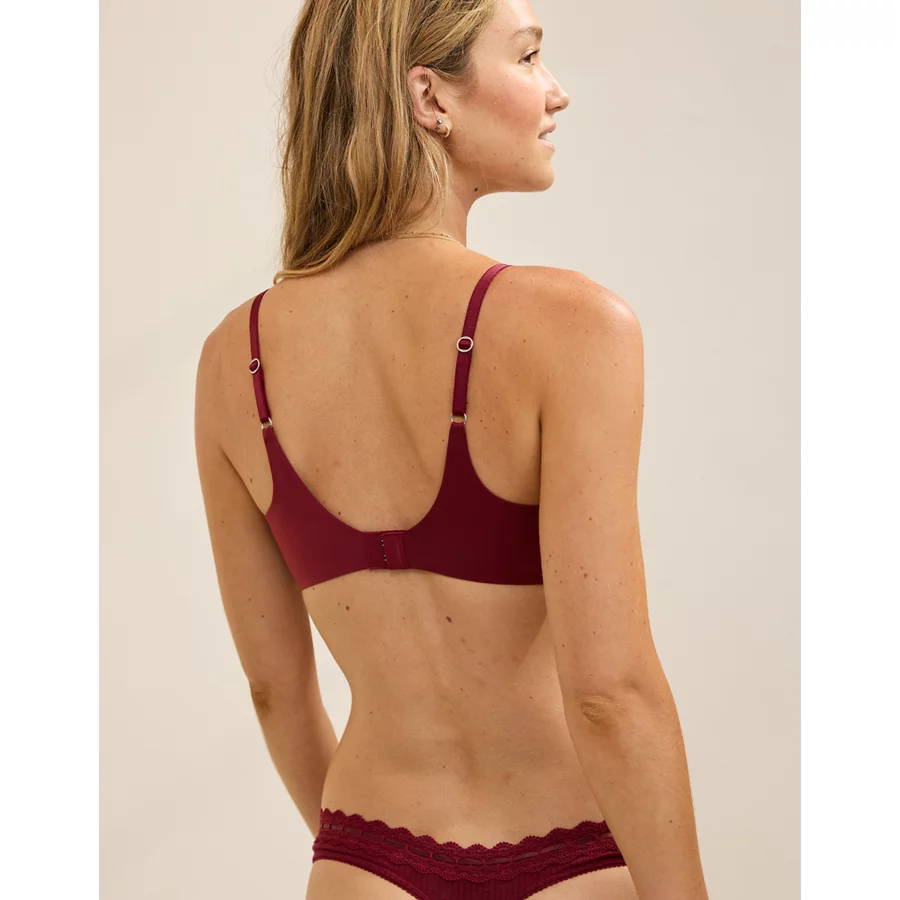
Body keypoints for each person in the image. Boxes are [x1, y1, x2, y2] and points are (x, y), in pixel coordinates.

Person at [194, 0, 710, 898]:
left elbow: (275, 689)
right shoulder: (572, 327)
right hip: (570, 857)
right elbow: (611, 695)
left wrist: (361, 850)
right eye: (529, 56)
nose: (556, 92)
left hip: (366, 863)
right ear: (430, 97)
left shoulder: (231, 360)